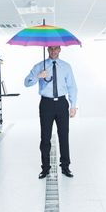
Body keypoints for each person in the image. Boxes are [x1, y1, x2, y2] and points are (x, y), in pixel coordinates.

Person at [24, 46, 77, 179]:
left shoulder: (66, 66)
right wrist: (38, 76)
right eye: (51, 49)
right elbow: (27, 82)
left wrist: (73, 105)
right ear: (47, 50)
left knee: (64, 135)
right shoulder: (39, 66)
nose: (53, 52)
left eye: (56, 49)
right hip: (46, 104)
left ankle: (65, 167)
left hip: (61, 103)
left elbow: (72, 86)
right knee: (45, 137)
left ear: (60, 50)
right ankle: (45, 168)